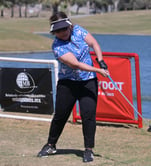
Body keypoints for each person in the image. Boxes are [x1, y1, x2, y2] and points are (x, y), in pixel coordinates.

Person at [37, 11, 109, 163]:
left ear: (69, 26)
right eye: (57, 31)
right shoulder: (57, 47)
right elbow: (76, 65)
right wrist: (98, 70)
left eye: (64, 29)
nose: (62, 33)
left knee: (88, 115)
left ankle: (88, 150)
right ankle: (51, 144)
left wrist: (101, 60)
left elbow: (94, 43)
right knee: (61, 115)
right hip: (68, 83)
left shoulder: (78, 31)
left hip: (88, 81)